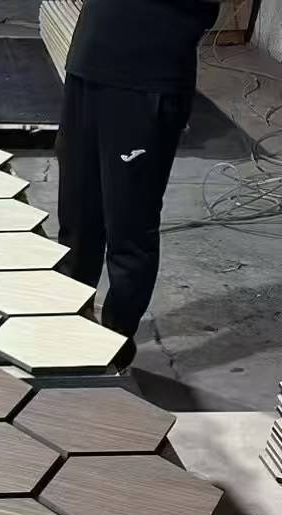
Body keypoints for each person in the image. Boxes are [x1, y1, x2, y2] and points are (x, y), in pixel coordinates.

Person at [57, 0, 219, 367]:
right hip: (88, 59)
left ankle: (113, 348)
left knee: (128, 226)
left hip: (146, 74)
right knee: (77, 218)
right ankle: (66, 329)